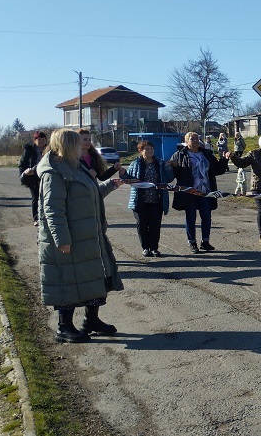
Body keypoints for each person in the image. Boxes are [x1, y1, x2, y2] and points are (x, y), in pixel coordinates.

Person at [37, 128, 123, 343]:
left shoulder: (77, 166)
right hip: (70, 239)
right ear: (67, 145)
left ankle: (91, 321)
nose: (83, 146)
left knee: (93, 277)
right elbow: (52, 209)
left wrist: (110, 185)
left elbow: (91, 194)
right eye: (78, 143)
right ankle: (63, 327)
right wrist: (61, 239)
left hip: (88, 236)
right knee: (67, 280)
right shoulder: (54, 172)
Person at [170, 132, 229, 254]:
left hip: (206, 192)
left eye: (197, 138)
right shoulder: (180, 155)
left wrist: (224, 159)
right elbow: (172, 175)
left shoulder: (206, 154)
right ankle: (192, 243)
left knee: (206, 217)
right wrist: (174, 167)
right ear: (186, 142)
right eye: (192, 139)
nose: (196, 141)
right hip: (189, 192)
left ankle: (205, 242)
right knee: (191, 218)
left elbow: (218, 169)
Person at [126, 140, 174, 257]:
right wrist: (122, 174)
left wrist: (168, 168)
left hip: (156, 200)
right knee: (142, 225)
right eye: (146, 149)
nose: (149, 151)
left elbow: (169, 179)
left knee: (155, 225)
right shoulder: (135, 163)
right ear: (140, 151)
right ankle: (145, 248)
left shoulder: (160, 163)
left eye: (151, 149)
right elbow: (128, 178)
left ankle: (154, 248)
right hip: (140, 200)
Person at [18, 130, 48, 226]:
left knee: (46, 197)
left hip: (45, 177)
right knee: (36, 197)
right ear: (34, 141)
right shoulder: (29, 150)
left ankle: (45, 217)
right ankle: (36, 218)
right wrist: (24, 176)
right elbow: (22, 164)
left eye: (43, 139)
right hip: (32, 177)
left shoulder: (49, 150)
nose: (41, 141)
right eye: (38, 139)